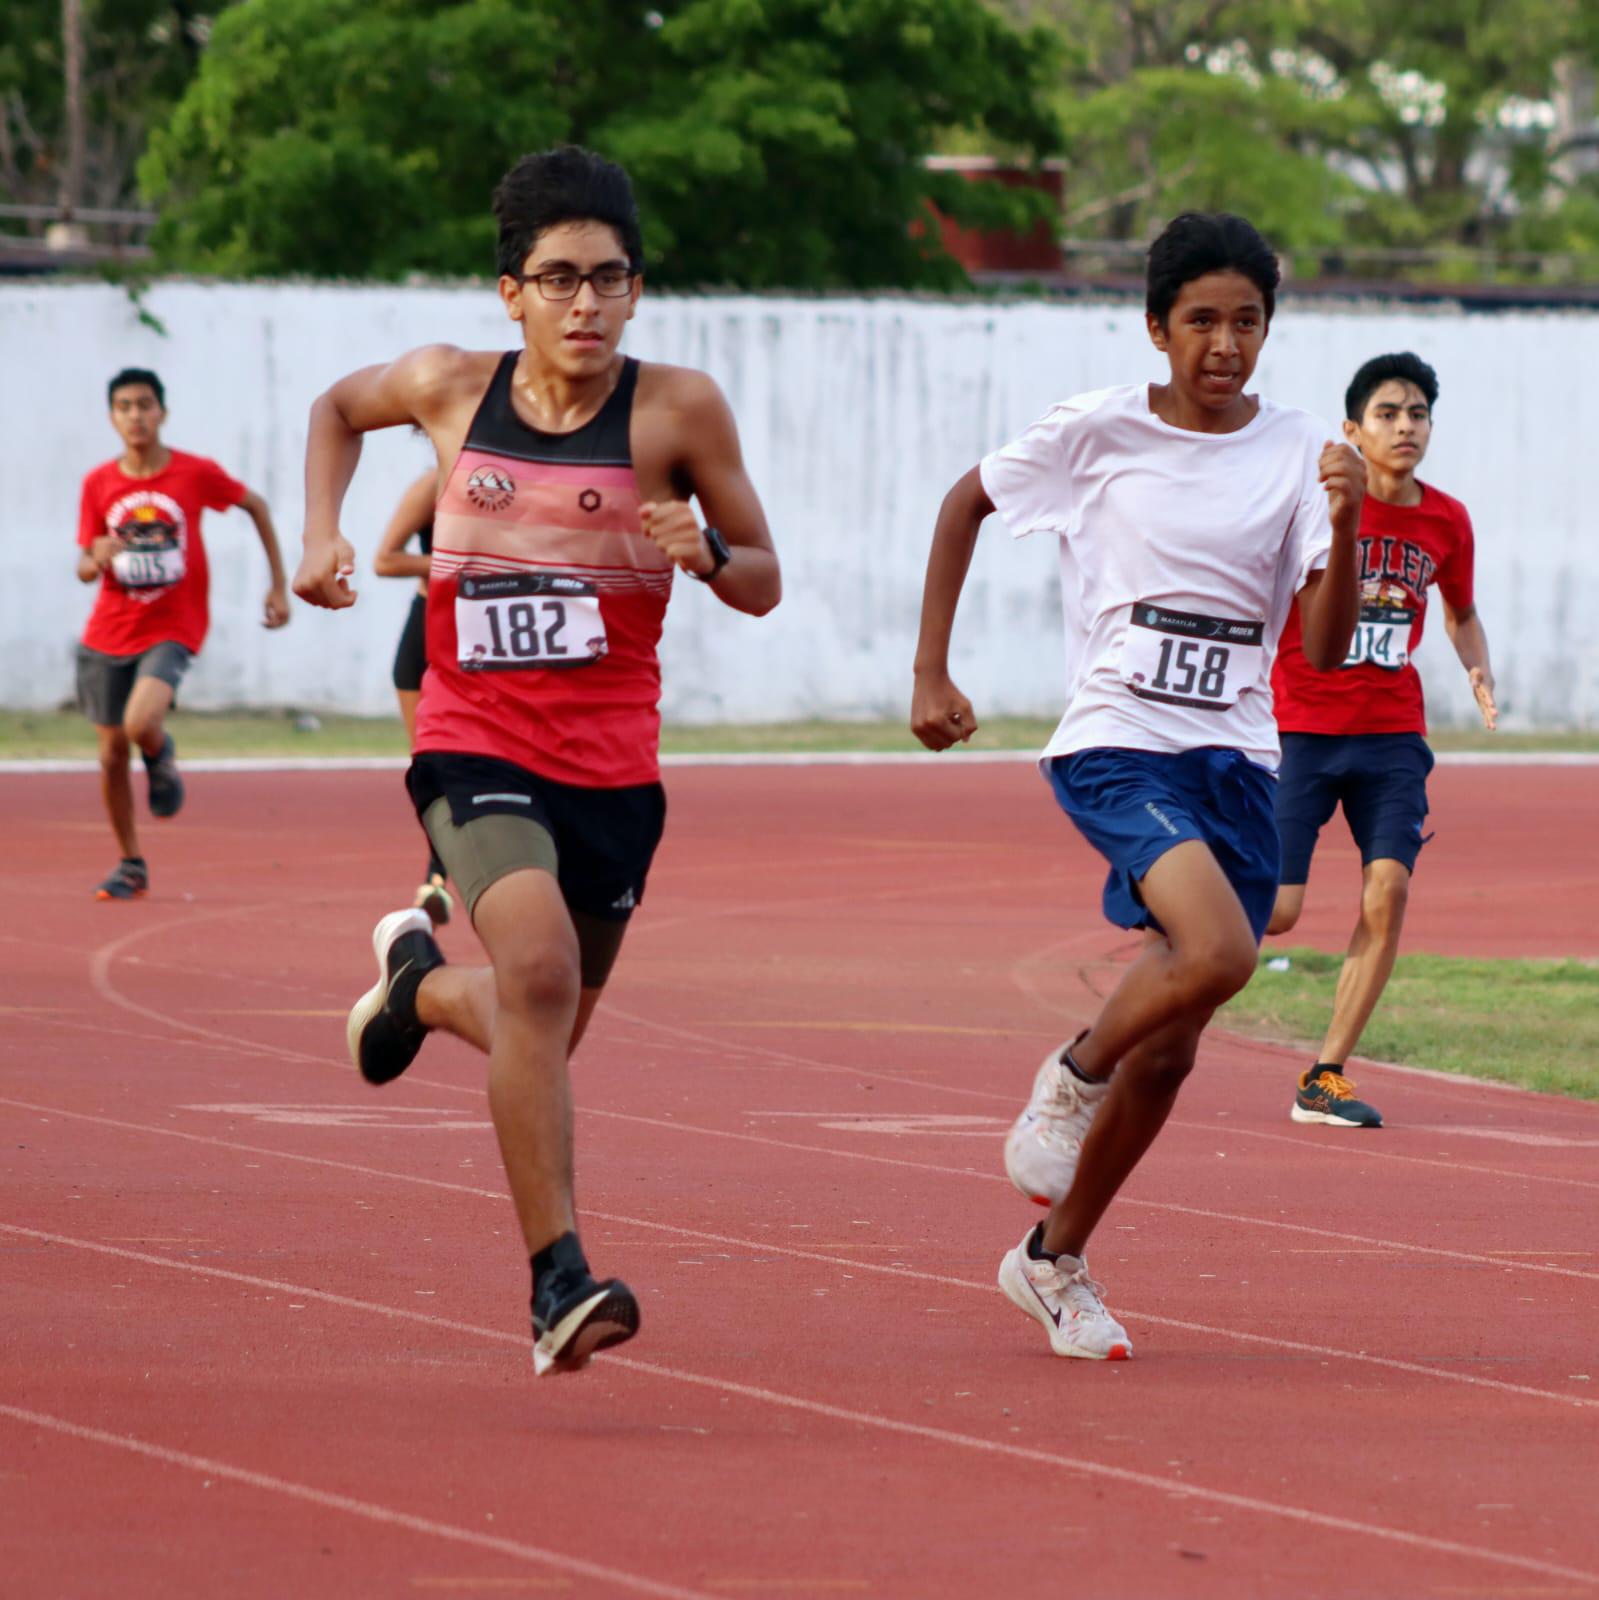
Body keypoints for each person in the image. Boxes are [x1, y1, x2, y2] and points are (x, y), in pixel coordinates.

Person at [292, 147, 781, 1376]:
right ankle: (557, 1280)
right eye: (558, 279)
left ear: (636, 288)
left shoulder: (678, 412)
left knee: (540, 1032)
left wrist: (710, 551)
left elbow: (767, 580)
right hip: (473, 740)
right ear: (509, 289)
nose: (585, 305)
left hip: (614, 771)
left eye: (609, 280)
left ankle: (417, 987)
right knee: (542, 974)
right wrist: (319, 534)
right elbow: (332, 414)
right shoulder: (448, 387)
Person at [911, 212, 1361, 1361]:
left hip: (1238, 756)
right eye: (1201, 319)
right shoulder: (1098, 429)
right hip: (1117, 736)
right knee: (1218, 952)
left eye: (1247, 321)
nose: (1224, 342)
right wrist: (932, 669)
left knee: (1172, 1048)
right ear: (1156, 325)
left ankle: (1053, 1260)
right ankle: (1067, 1078)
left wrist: (1350, 522)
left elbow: (1321, 635)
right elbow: (966, 501)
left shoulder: (1304, 449)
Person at [1266, 352, 1495, 1129]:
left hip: (1392, 733)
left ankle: (1323, 1075)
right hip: (1300, 727)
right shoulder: (1314, 506)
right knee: (1277, 913)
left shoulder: (1446, 519)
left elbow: (1460, 612)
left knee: (1388, 889)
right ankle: (1171, 898)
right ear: (1351, 429)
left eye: (1417, 414)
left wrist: (1476, 670)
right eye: (1388, 414)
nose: (1404, 427)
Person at [75, 367, 290, 900]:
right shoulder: (99, 483)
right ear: (112, 417)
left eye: (144, 404)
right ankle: (130, 864)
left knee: (139, 722)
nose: (135, 415)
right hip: (108, 630)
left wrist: (279, 585)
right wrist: (94, 556)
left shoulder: (193, 473)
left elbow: (255, 506)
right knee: (108, 757)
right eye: (124, 406)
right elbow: (83, 565)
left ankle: (160, 750)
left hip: (174, 625)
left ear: (162, 412)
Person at [373, 466, 453, 924]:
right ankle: (436, 877)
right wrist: (457, 564)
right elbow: (386, 559)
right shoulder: (431, 484)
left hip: (492, 637)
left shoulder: (523, 476)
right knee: (430, 762)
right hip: (429, 630)